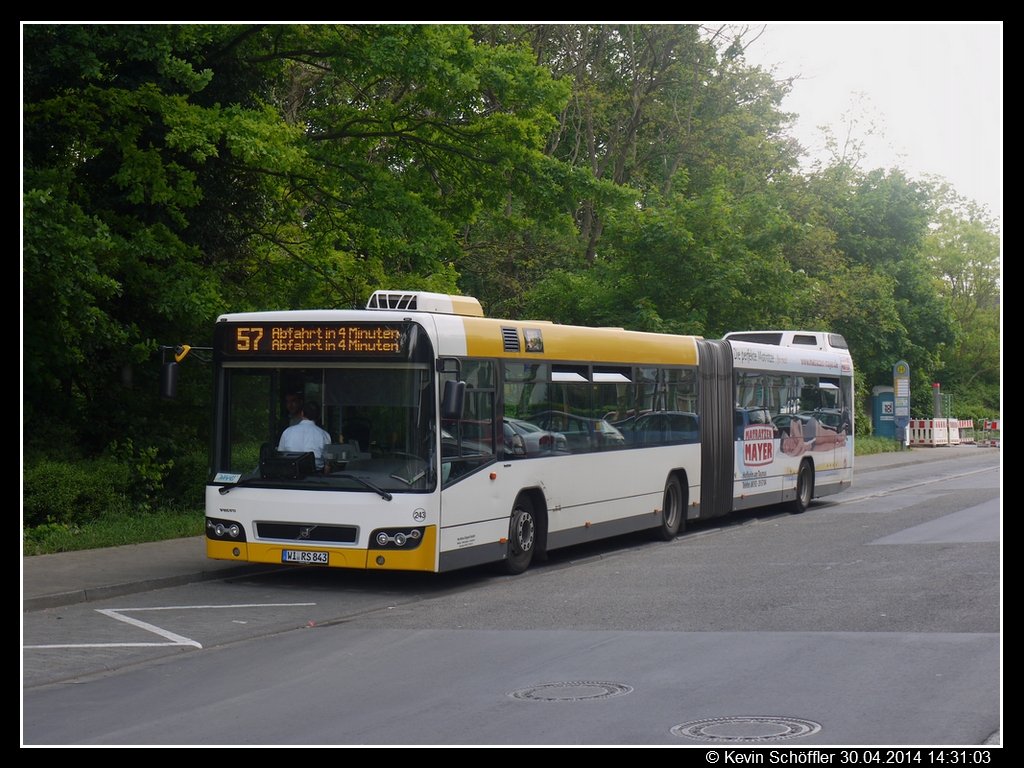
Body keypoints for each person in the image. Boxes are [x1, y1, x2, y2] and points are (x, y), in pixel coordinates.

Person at [278, 401, 331, 469]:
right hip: (316, 476)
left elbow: (280, 456)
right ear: (318, 417)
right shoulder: (324, 435)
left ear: (302, 414)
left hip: (291, 474)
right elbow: (328, 462)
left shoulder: (288, 432)